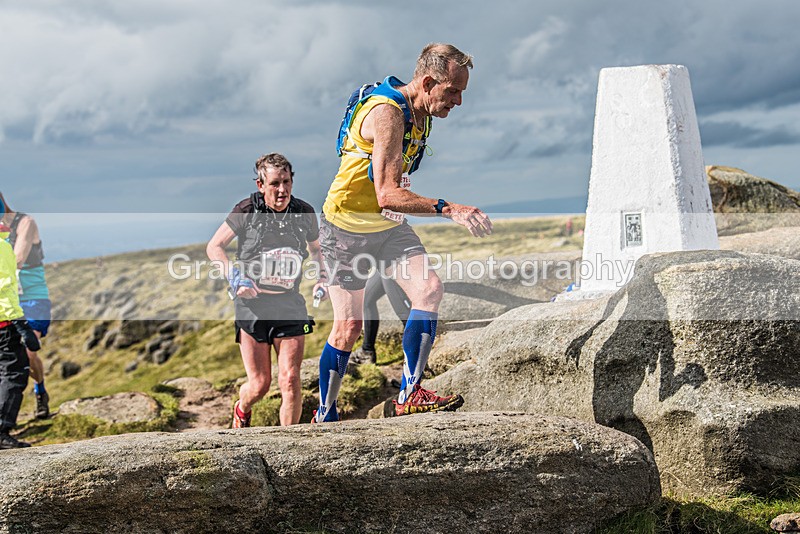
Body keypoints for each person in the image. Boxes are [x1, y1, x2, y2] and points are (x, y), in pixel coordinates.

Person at [313, 43, 493, 423]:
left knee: (429, 290)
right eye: (453, 91)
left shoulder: (421, 115)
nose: (459, 102)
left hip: (389, 226)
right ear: (427, 83)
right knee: (348, 327)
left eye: (462, 92)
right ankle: (324, 413)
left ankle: (410, 393)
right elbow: (387, 194)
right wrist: (450, 209)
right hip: (345, 228)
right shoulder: (388, 113)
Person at [207, 153, 326, 427]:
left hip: (289, 305)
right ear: (261, 185)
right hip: (253, 307)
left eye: (286, 182)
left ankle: (290, 442)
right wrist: (235, 278)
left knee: (290, 379)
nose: (282, 190)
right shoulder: (246, 210)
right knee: (260, 385)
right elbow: (214, 247)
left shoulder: (304, 212)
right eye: (274, 183)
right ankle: (242, 408)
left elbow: (317, 249)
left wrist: (323, 278)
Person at [0, 192, 51, 419]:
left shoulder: (25, 223)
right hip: (6, 299)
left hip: (32, 298)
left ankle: (40, 391)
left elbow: (17, 259)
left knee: (29, 353)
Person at [0, 199, 41, 449]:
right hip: (4, 324)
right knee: (14, 373)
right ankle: (2, 430)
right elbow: (5, 290)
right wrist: (21, 325)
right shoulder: (3, 248)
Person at [350, 272, 411, 365]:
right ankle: (367, 351)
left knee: (404, 314)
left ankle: (417, 356)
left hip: (396, 266)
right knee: (366, 298)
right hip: (384, 267)